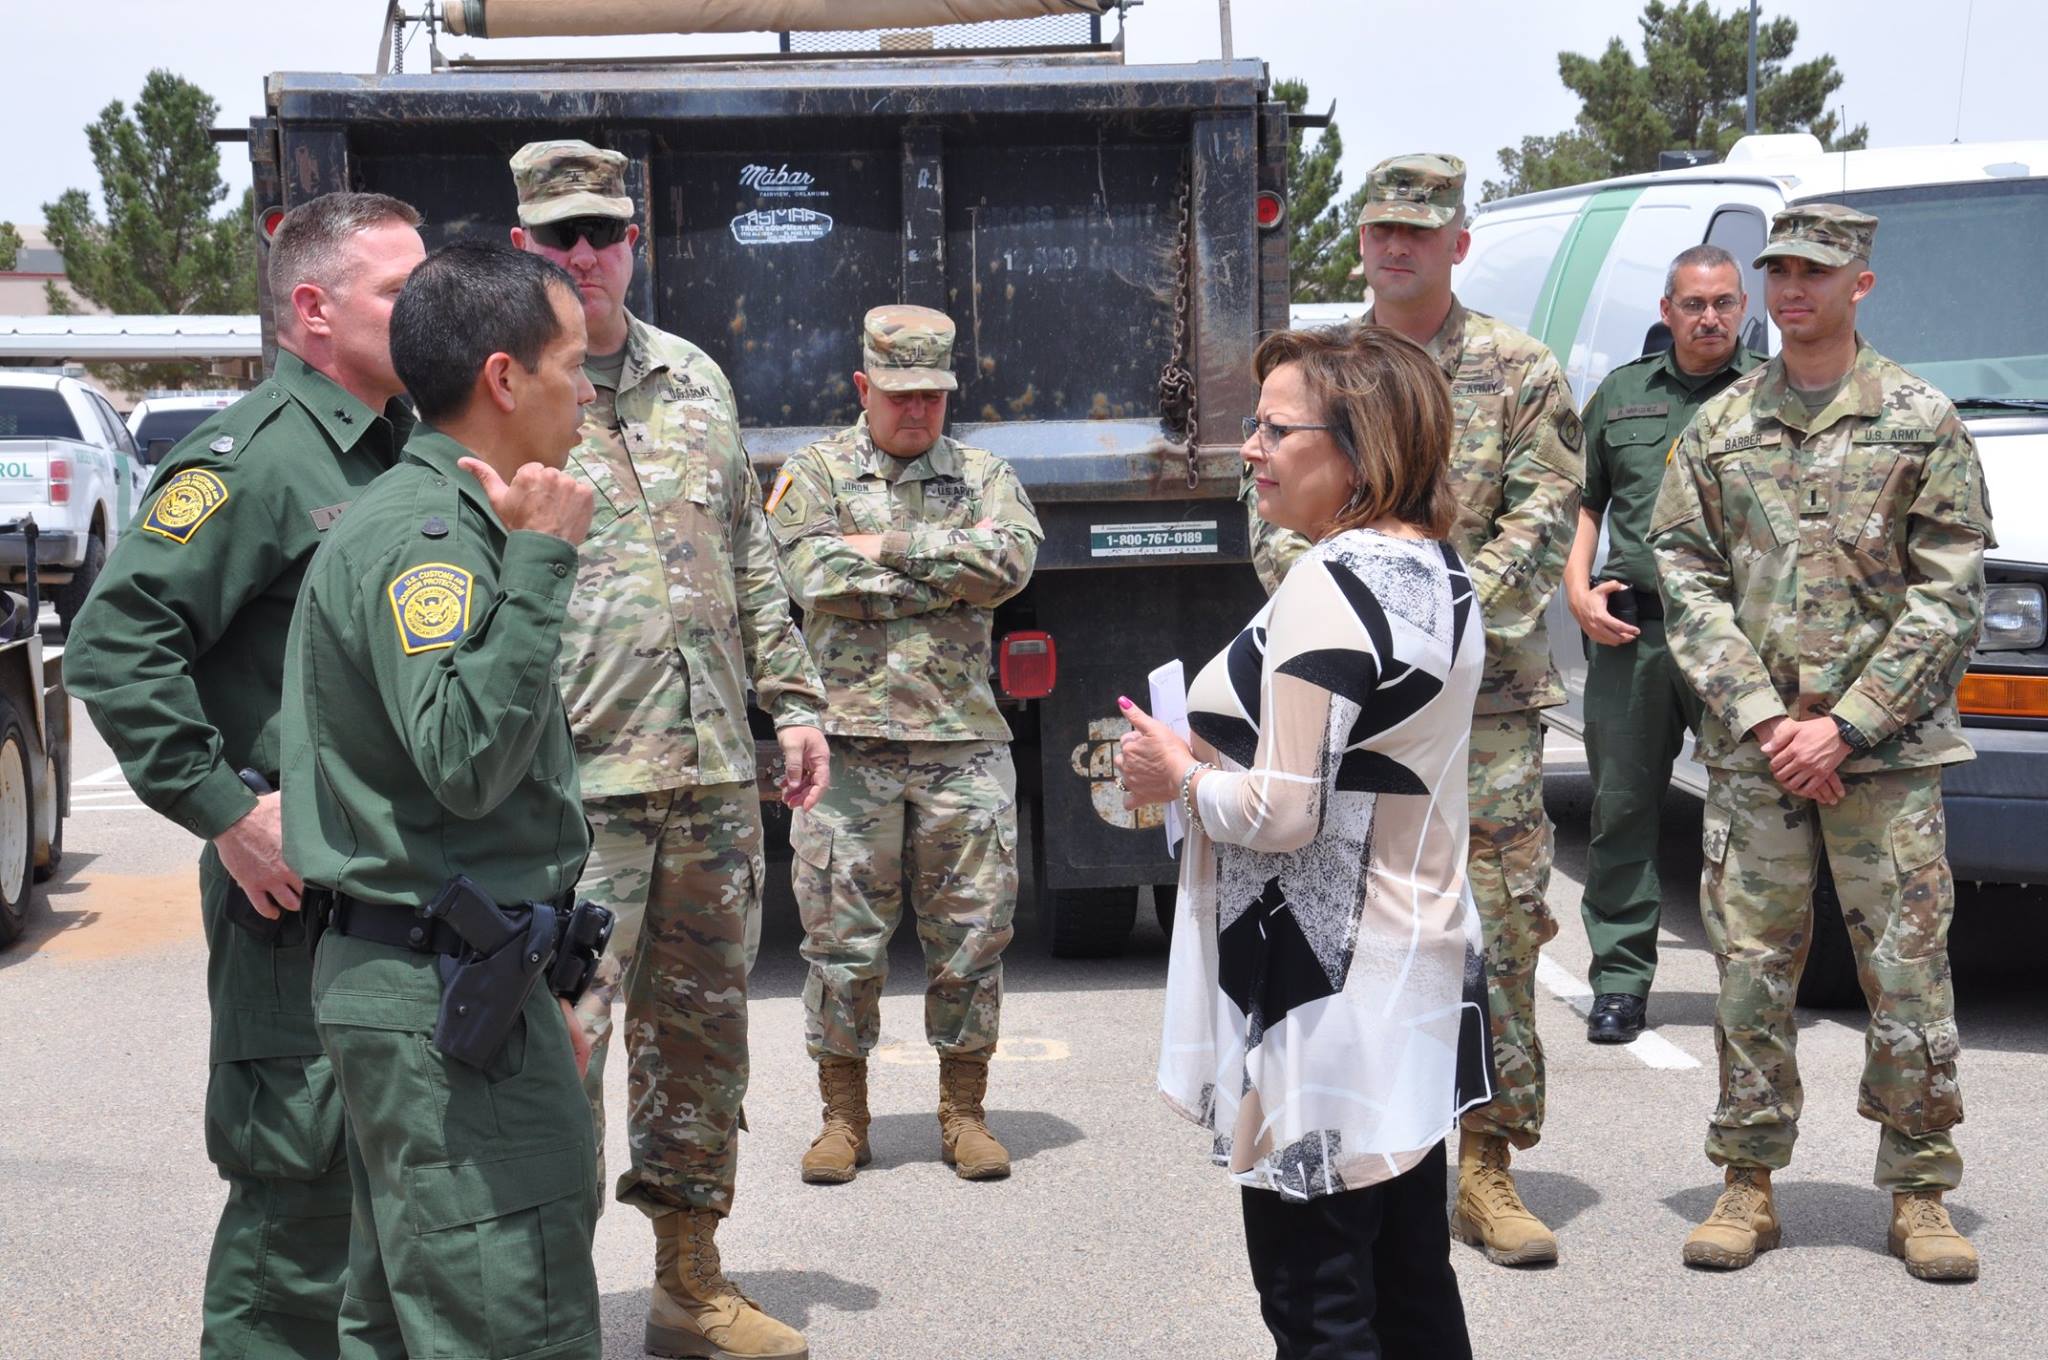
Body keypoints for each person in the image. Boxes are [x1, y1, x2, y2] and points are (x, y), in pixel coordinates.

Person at [65, 192, 424, 1358]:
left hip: (398, 886)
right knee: (298, 1209)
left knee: (390, 1201)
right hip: (296, 900)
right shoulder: (254, 458)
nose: (425, 305)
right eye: (394, 288)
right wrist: (226, 812)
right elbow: (117, 646)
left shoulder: (407, 441)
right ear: (312, 312)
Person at [507, 138, 827, 1360]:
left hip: (706, 782)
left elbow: (746, 553)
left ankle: (688, 1285)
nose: (585, 254)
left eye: (604, 230)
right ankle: (542, 1310)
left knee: (698, 1045)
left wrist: (791, 702)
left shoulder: (693, 376)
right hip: (572, 791)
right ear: (523, 242)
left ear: (634, 239)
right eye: (560, 235)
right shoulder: (505, 391)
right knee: (557, 1054)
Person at [1126, 324, 1485, 1358]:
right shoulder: (1439, 572)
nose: (1249, 447)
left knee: (1318, 1301)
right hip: (1409, 973)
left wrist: (1180, 778)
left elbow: (1285, 812)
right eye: (1253, 424)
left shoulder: (1329, 582)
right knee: (1410, 1282)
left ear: (1361, 448)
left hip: (1318, 991)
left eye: (1275, 429)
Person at [1252, 153, 1583, 1265]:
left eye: (1418, 230)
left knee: (1485, 921)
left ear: (1457, 243)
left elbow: (1543, 514)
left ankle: (1485, 1164)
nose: (1394, 246)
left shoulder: (1518, 368)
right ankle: (1369, 1143)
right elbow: (1272, 518)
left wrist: (1434, 628)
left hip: (1480, 712)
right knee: (1350, 929)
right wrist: (1379, 636)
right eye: (1378, 230)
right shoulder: (1326, 372)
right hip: (1346, 709)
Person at [1651, 204, 1990, 1281]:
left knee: (1906, 973)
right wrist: (1764, 718)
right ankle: (1747, 1180)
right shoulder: (1714, 428)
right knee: (1750, 968)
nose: (1791, 287)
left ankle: (1920, 1186)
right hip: (1756, 755)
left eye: (1814, 270)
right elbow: (1684, 577)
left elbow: (1948, 598)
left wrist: (1843, 724)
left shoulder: (1920, 419)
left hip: (1880, 759)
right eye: (1779, 270)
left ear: (1859, 286)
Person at [281, 240, 605, 1357]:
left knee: (408, 1316)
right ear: (506, 379)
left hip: (456, 981)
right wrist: (541, 565)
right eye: (573, 363)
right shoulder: (439, 542)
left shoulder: (444, 519)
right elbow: (465, 756)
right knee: (515, 1309)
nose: (589, 390)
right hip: (442, 997)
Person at [768, 304, 1042, 1185]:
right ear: (863, 388)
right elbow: (808, 571)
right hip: (846, 744)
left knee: (973, 934)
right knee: (841, 942)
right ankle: (843, 1118)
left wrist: (880, 546)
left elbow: (1008, 568)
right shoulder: (813, 473)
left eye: (932, 395)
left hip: (961, 741)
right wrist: (942, 570)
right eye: (899, 395)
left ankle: (964, 1111)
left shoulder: (987, 473)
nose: (917, 411)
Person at [1565, 245, 1765, 1044]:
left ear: (1743, 308)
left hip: (1739, 641)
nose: (1709, 317)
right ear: (1666, 310)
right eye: (1694, 304)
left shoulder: (1769, 396)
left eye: (1723, 303)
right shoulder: (1621, 396)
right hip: (1633, 633)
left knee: (1751, 817)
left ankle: (1751, 984)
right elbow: (1584, 502)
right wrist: (1576, 592)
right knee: (1621, 813)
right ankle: (1619, 983)